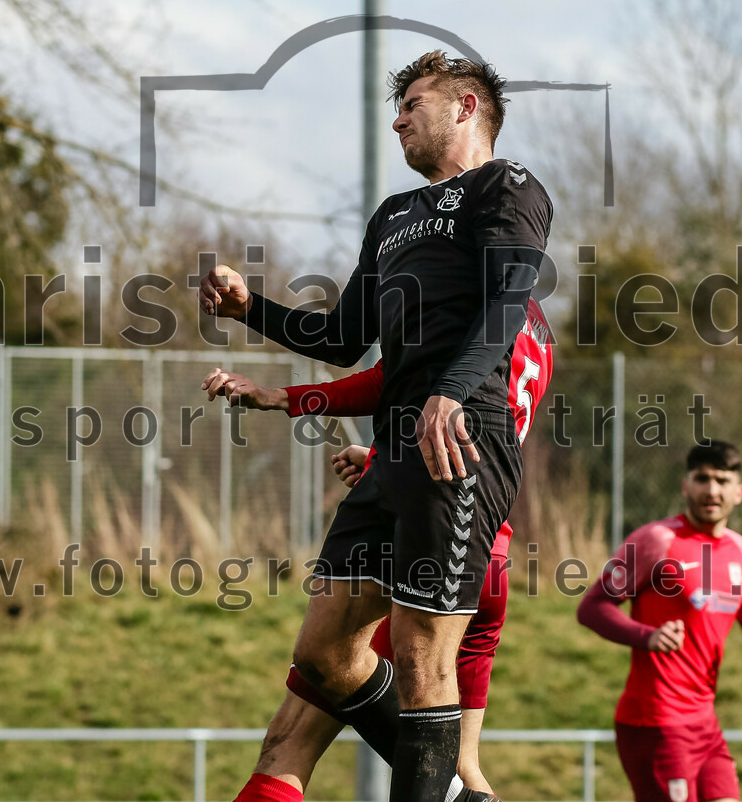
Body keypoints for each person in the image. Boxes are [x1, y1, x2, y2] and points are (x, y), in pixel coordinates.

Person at [199, 51, 552, 802]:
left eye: (412, 104)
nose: (397, 120)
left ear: (465, 105)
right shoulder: (393, 216)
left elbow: (507, 302)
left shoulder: (507, 185)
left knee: (423, 656)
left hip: (460, 443)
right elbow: (343, 337)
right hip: (396, 448)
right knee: (324, 653)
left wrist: (451, 393)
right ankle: (461, 797)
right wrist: (249, 310)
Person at [204, 296, 553, 802]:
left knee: (291, 741)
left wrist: (284, 396)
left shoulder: (463, 285)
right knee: (460, 767)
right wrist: (381, 461)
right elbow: (478, 414)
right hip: (485, 551)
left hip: (424, 539)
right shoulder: (536, 323)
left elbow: (392, 379)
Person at [576, 441, 742, 802]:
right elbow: (592, 607)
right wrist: (646, 636)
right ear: (686, 486)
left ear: (739, 492)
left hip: (705, 725)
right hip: (654, 723)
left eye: (722, 480)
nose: (711, 490)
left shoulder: (740, 551)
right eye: (702, 478)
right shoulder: (657, 540)